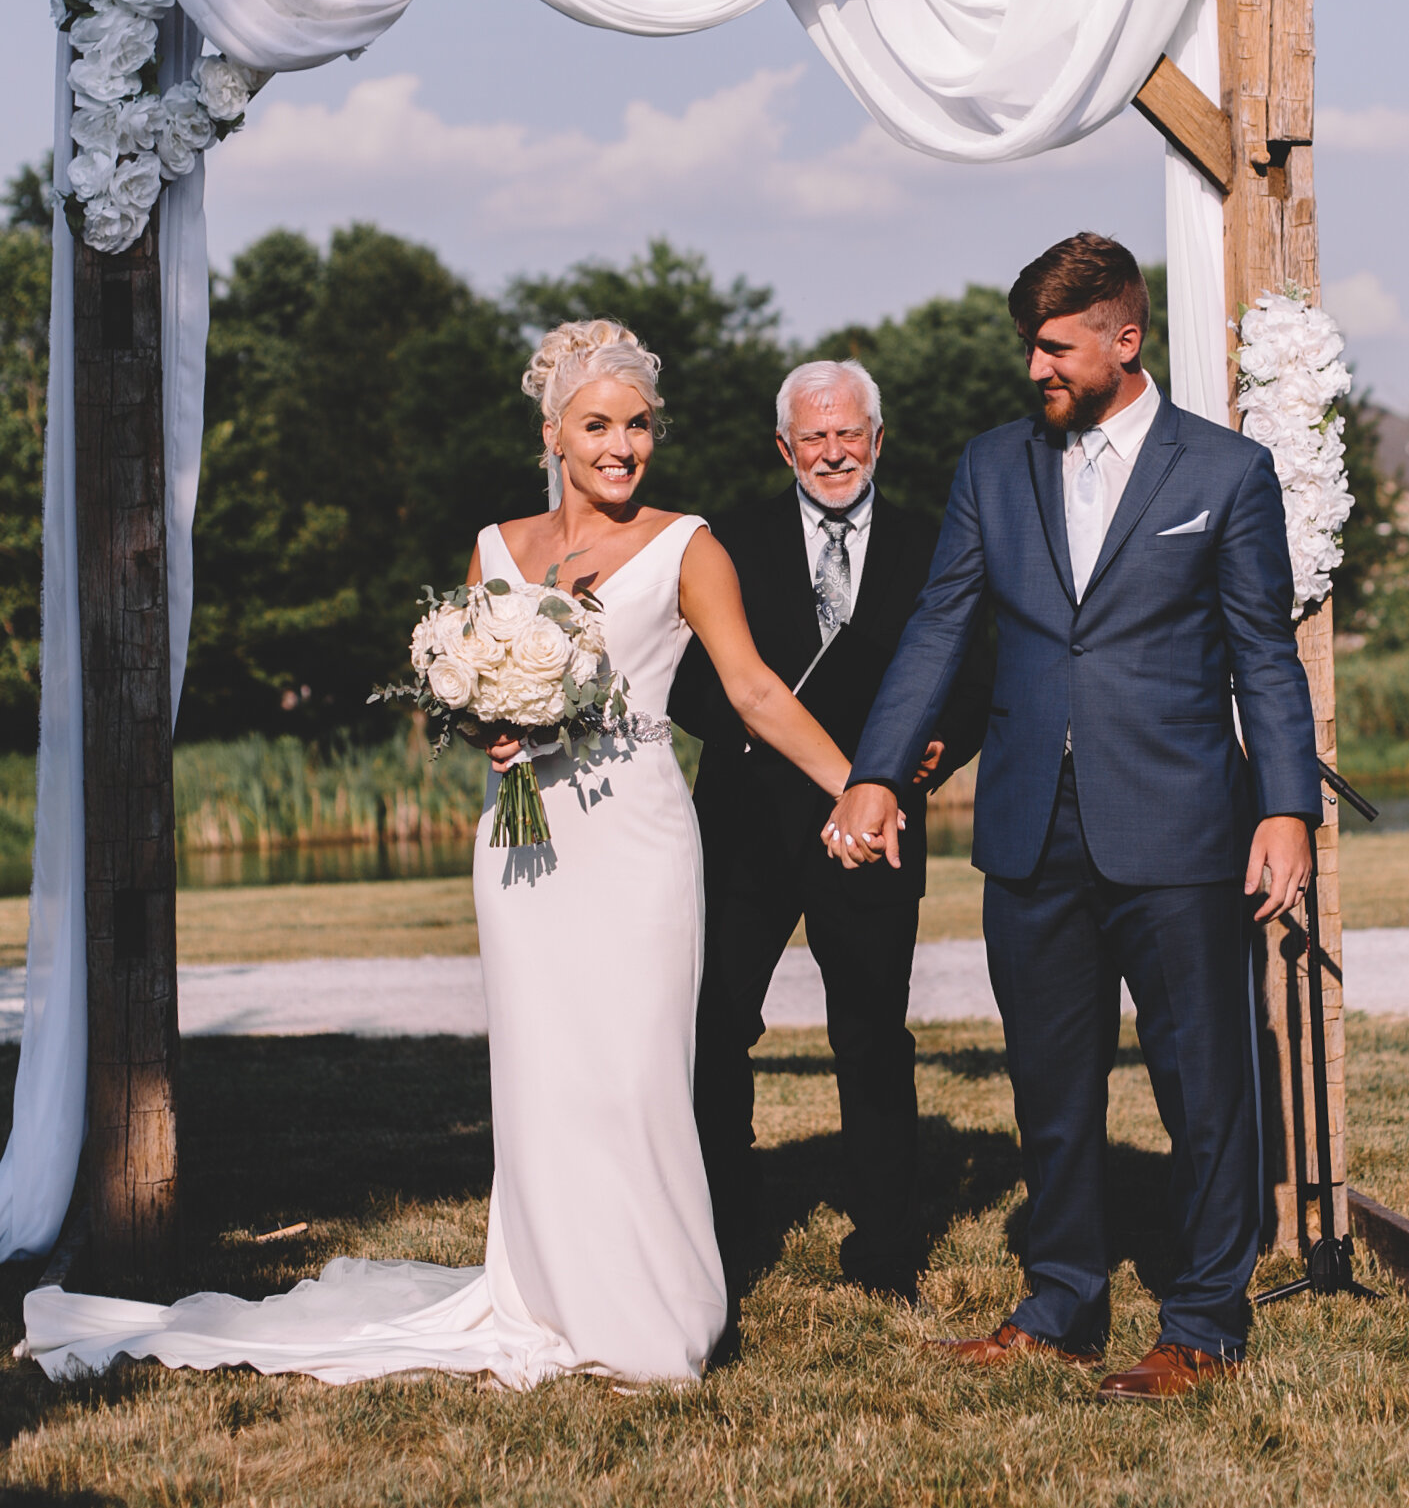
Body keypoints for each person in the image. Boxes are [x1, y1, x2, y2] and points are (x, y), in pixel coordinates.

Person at [24, 319, 854, 1390]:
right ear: (553, 431)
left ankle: (649, 1307)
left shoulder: (688, 543)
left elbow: (747, 690)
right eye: (596, 423)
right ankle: (548, 1292)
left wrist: (858, 782)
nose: (621, 444)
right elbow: (460, 686)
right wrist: (487, 723)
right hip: (524, 845)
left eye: (638, 424)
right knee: (544, 1075)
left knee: (637, 1071)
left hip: (639, 840)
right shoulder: (495, 547)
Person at [822, 234, 1321, 1402]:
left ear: (1122, 337)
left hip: (1183, 826)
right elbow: (937, 630)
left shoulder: (1224, 473)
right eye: (1027, 346)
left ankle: (1202, 1320)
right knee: (1050, 1085)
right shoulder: (991, 465)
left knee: (1203, 1085)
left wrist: (1286, 807)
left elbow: (1262, 653)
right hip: (1026, 833)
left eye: (1053, 344)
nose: (1033, 366)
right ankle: (1059, 1306)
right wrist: (875, 772)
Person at [670, 359, 987, 1299]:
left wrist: (931, 751)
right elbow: (692, 687)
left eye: (849, 432)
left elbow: (975, 674)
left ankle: (887, 1245)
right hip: (744, 825)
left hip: (877, 829)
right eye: (814, 436)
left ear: (877, 439)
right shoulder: (725, 544)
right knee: (715, 1025)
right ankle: (726, 1228)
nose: (833, 451)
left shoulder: (936, 544)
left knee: (872, 1034)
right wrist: (790, 737)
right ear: (784, 448)